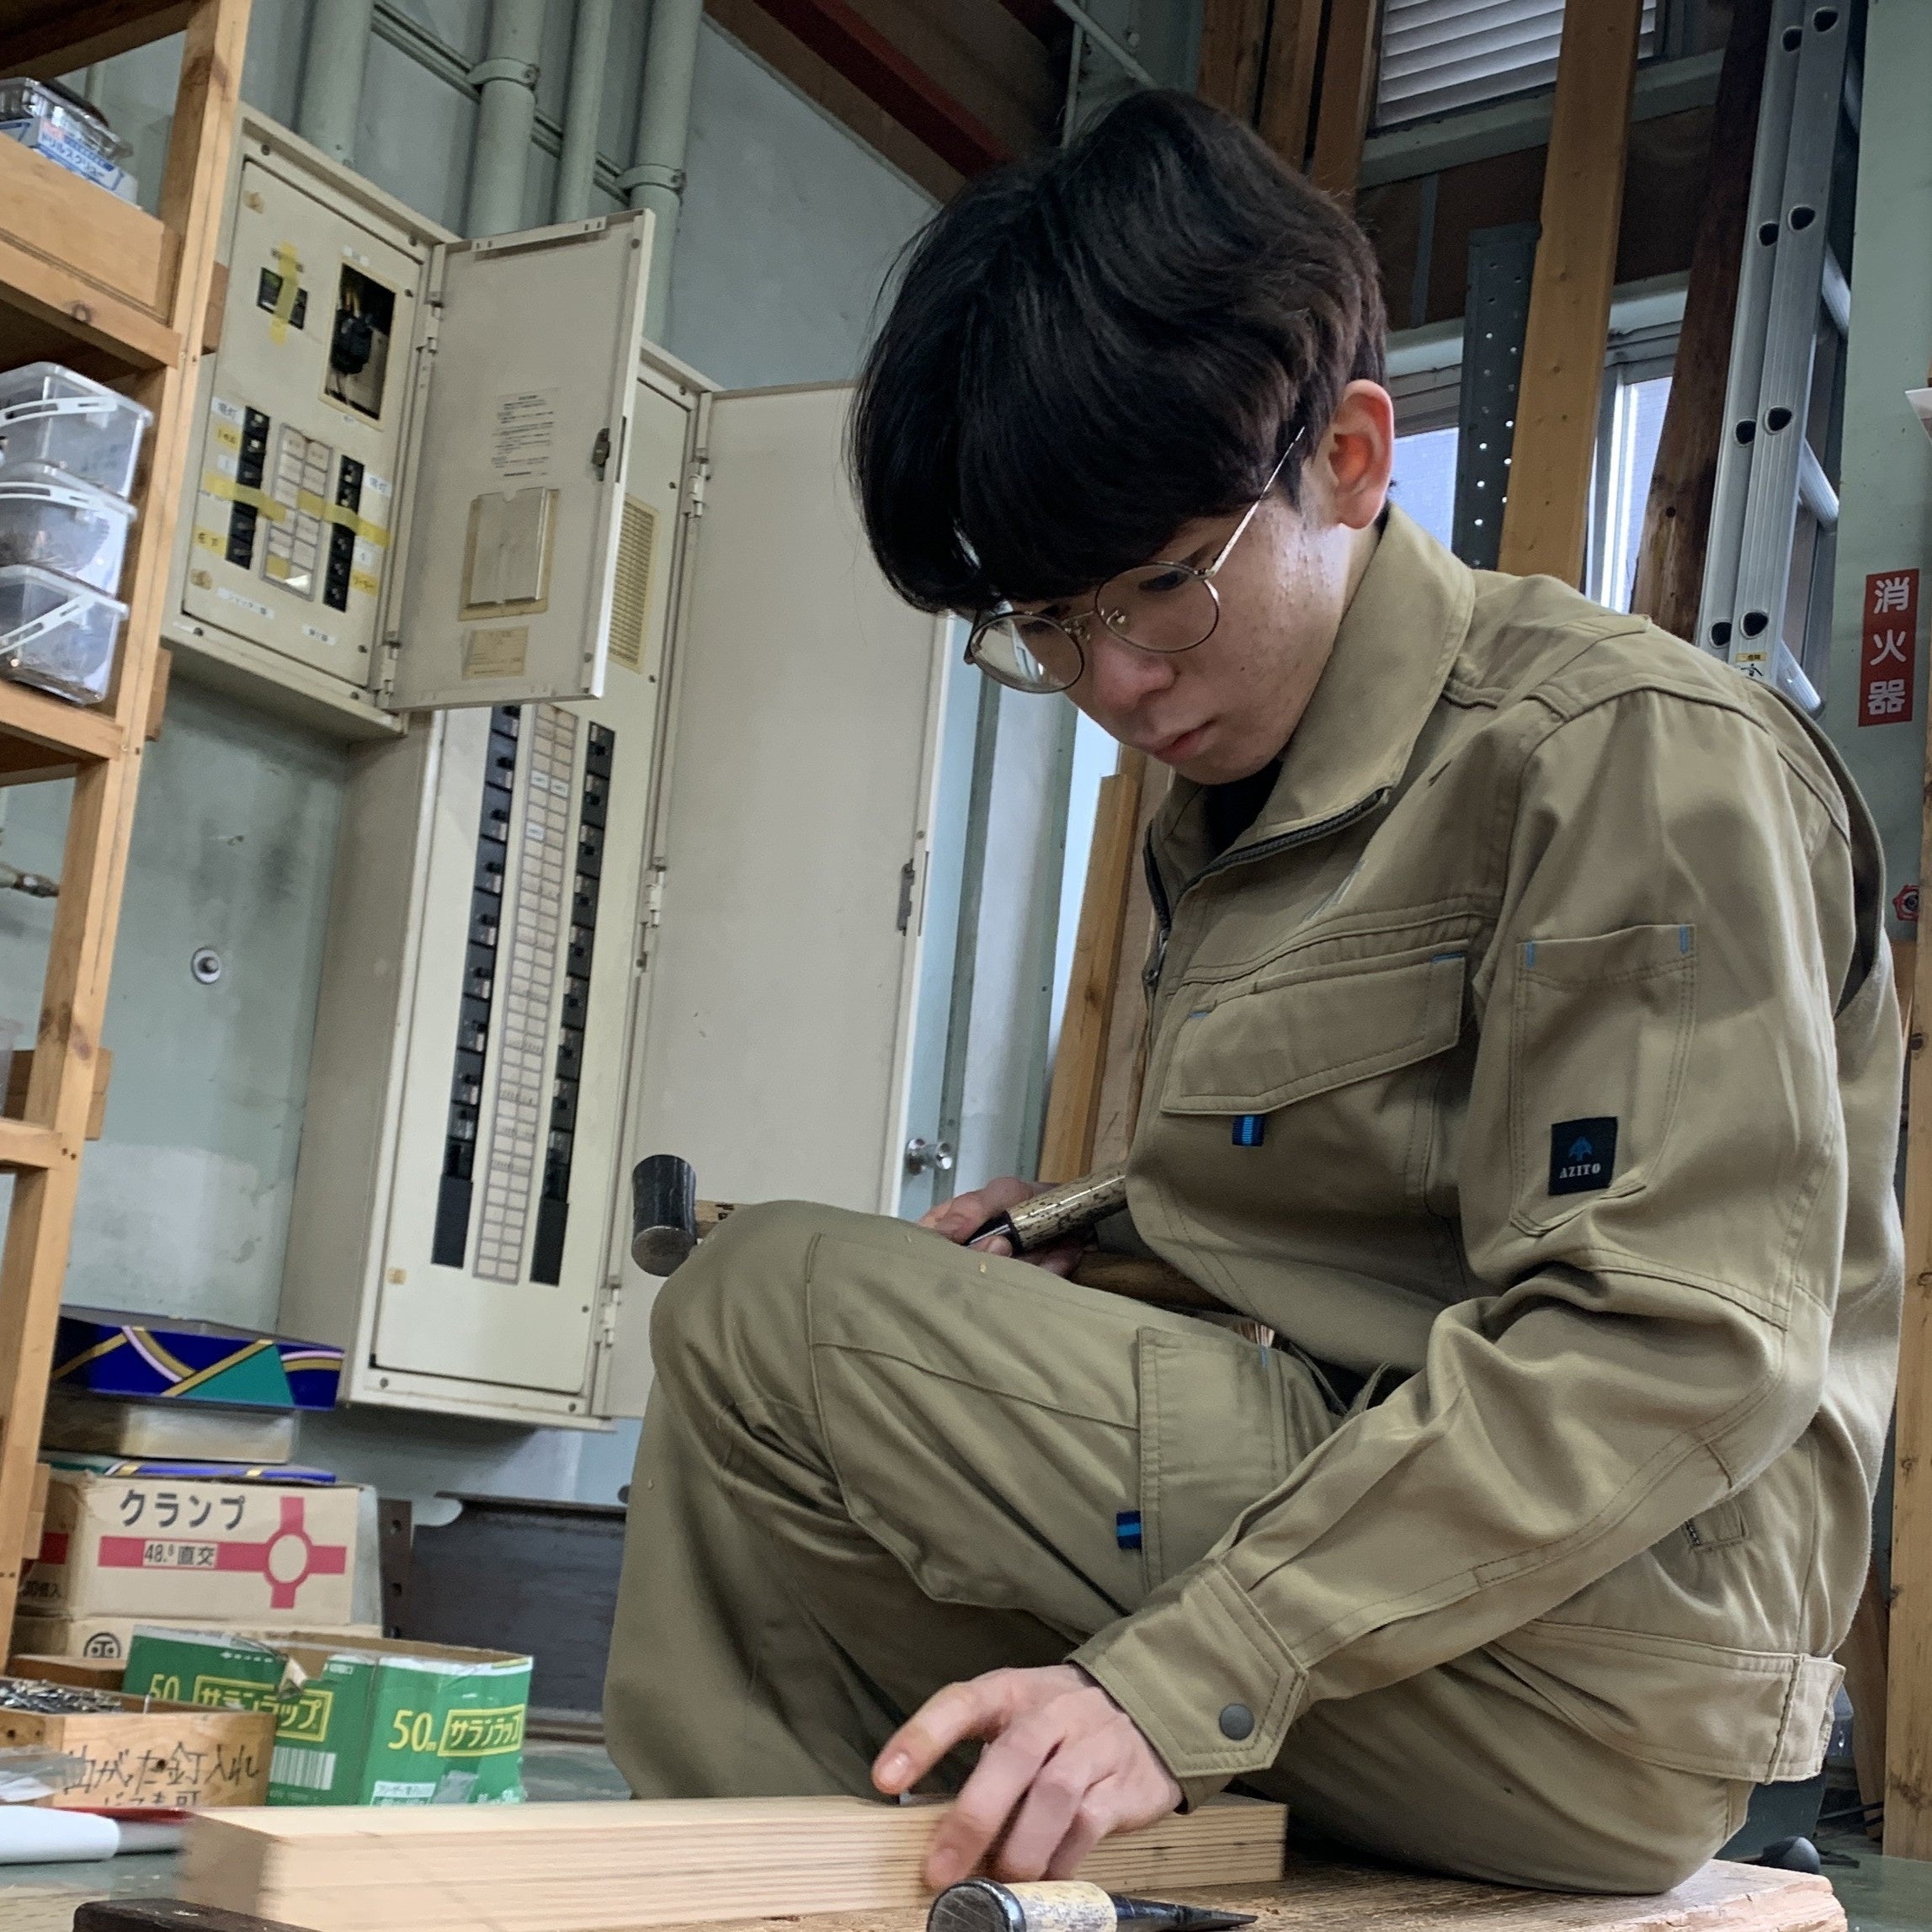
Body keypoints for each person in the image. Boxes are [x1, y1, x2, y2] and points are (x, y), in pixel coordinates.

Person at [604, 91, 1900, 1896]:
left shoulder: (1623, 753)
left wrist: (1178, 1674)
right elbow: (1373, 1230)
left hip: (1608, 1662)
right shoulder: (1237, 797)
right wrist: (1086, 1244)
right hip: (1436, 1594)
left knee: (766, 1317)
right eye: (1046, 625)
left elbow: (1669, 1342)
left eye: (1158, 588)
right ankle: (820, 1886)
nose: (1115, 680)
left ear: (1352, 455)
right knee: (803, 1373)